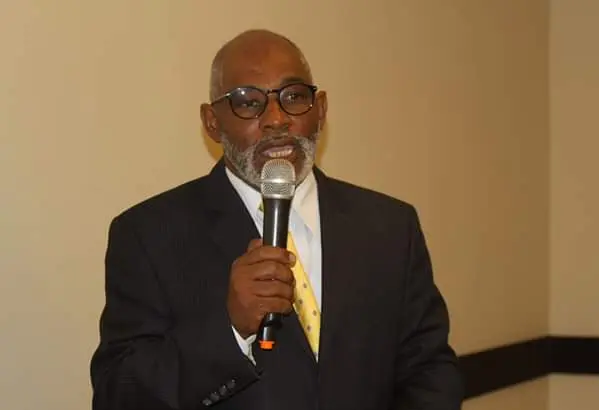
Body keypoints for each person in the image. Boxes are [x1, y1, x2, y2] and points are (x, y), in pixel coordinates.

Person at [90, 29, 463, 410]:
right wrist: (230, 329)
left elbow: (429, 371)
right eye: (248, 102)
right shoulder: (148, 236)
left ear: (321, 109)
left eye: (294, 97)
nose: (276, 119)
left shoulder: (390, 227)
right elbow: (119, 396)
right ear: (212, 122)